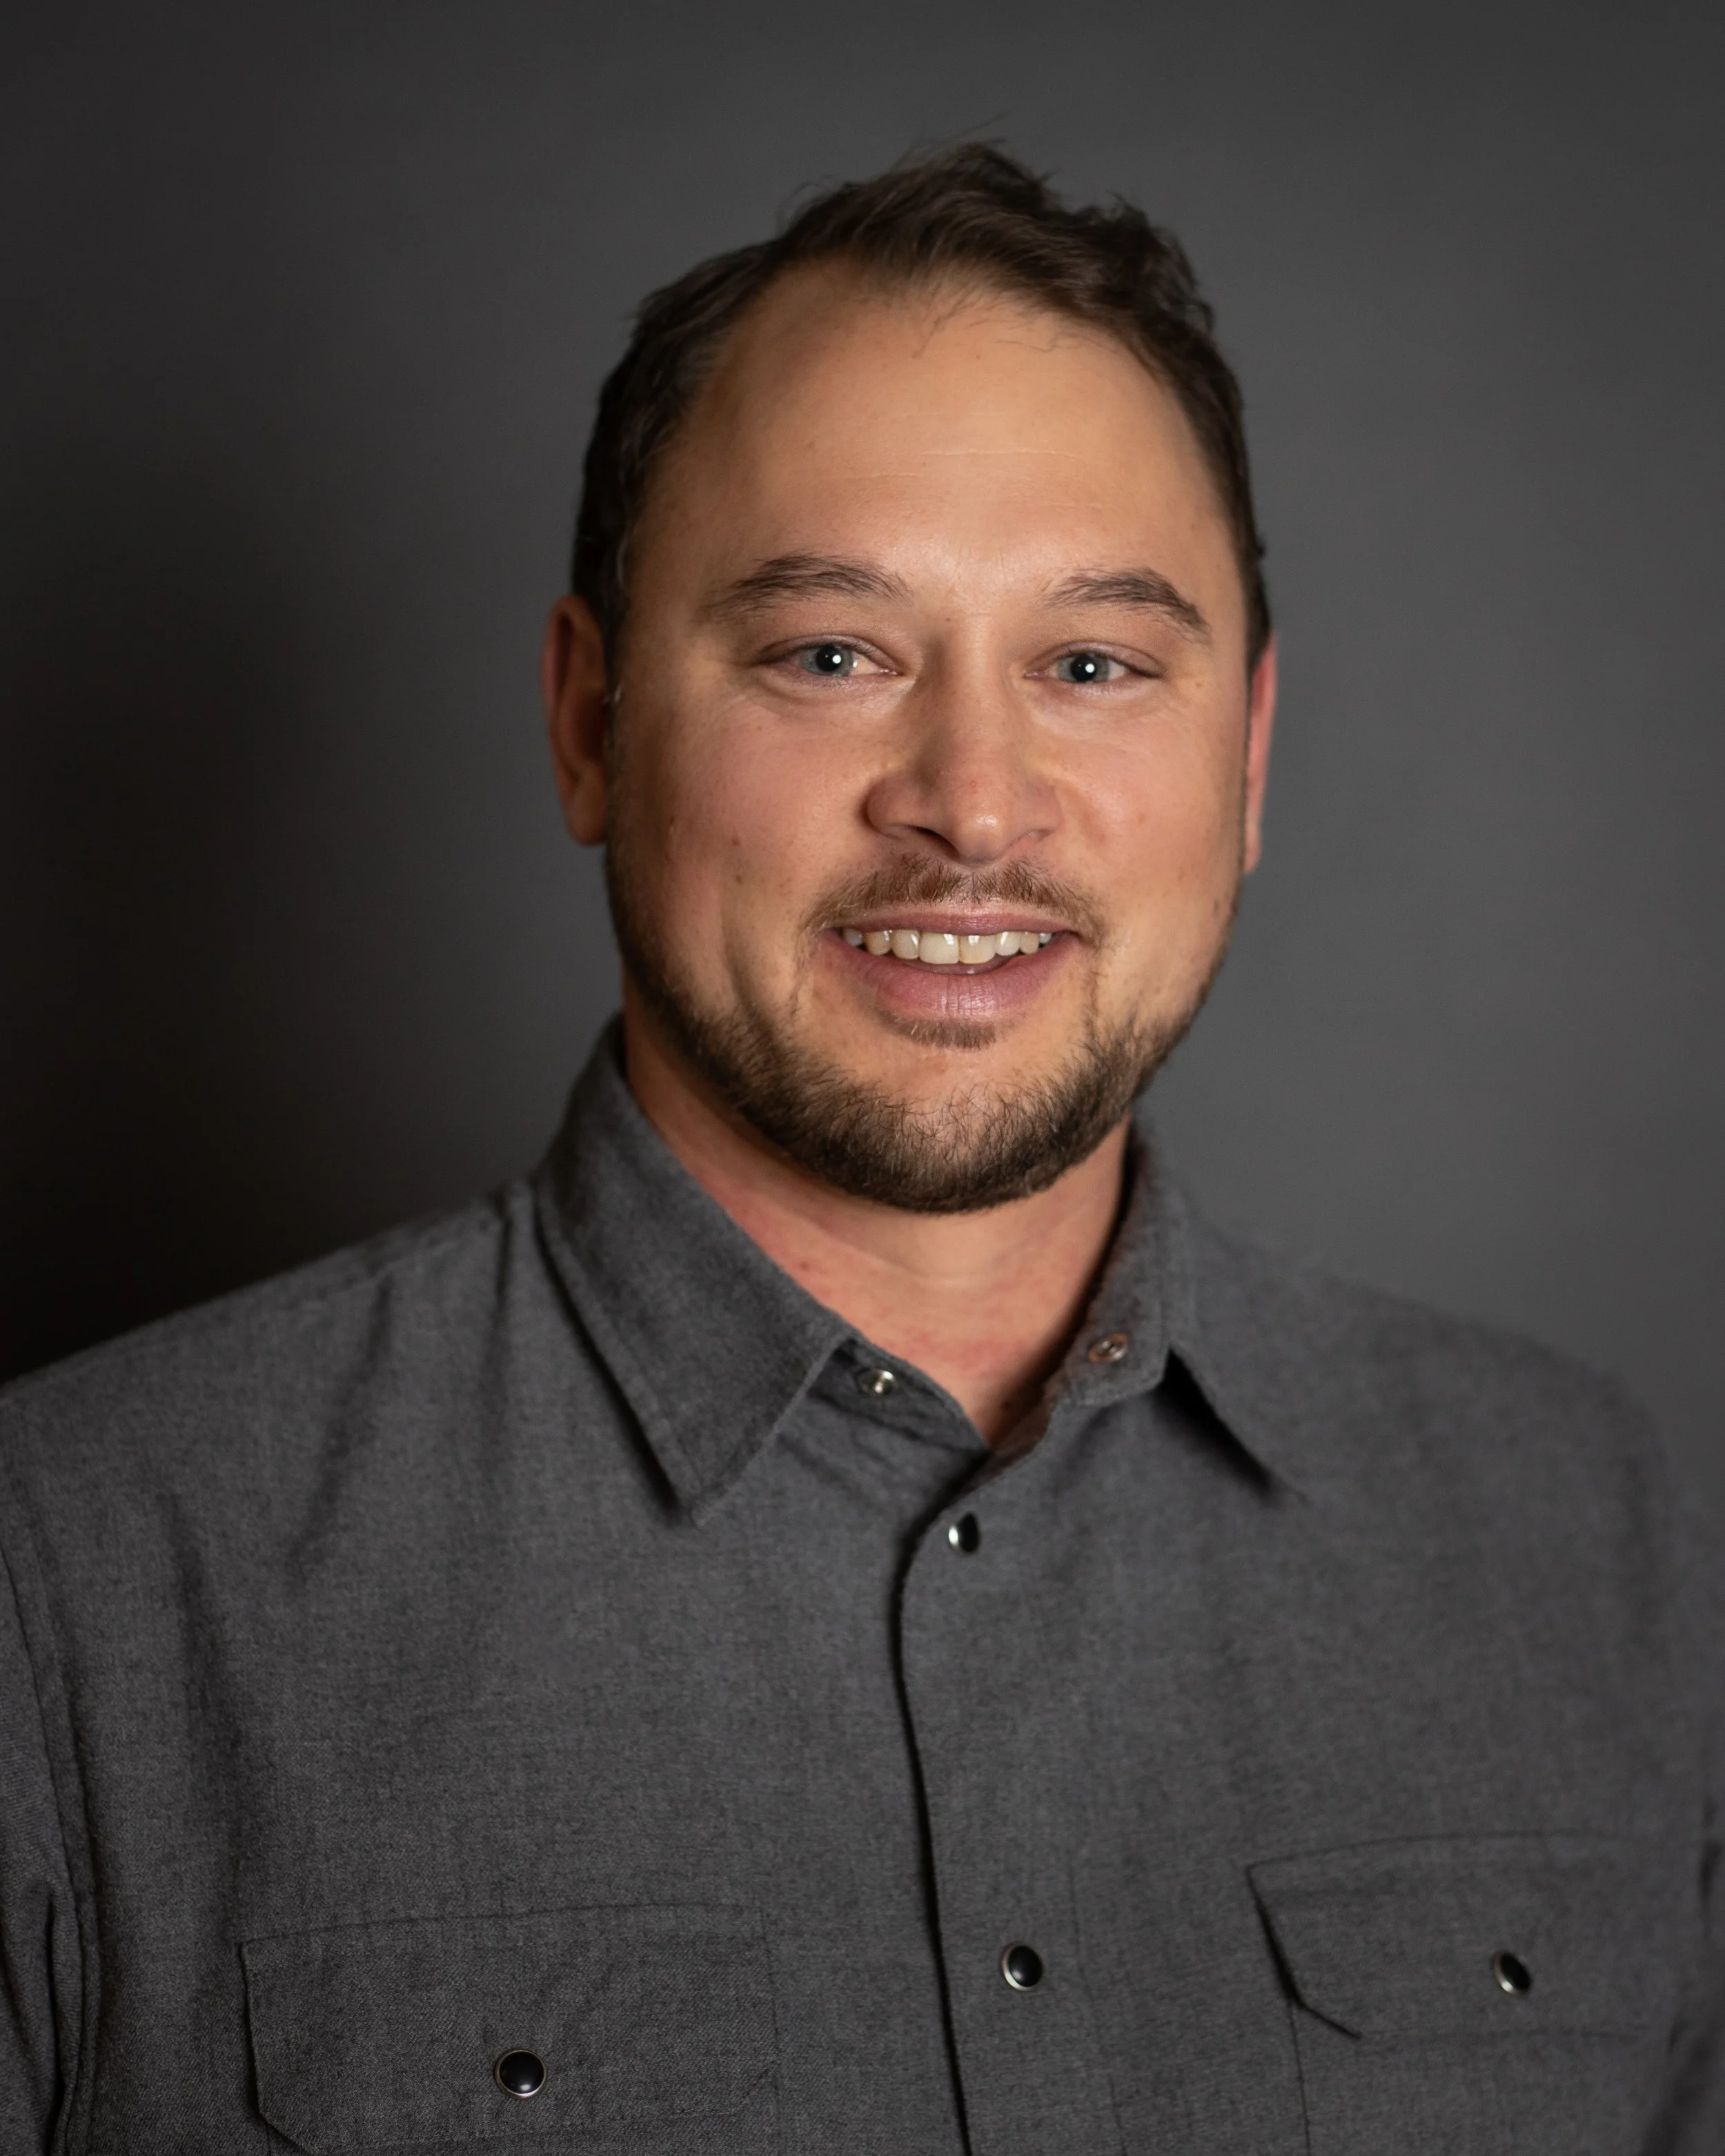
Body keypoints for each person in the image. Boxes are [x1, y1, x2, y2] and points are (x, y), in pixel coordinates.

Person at [0, 144, 1717, 2155]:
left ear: (1243, 760)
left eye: (1091, 663)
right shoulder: (72, 1580)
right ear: (584, 721)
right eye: (830, 653)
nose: (973, 804)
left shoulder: (1584, 1544)